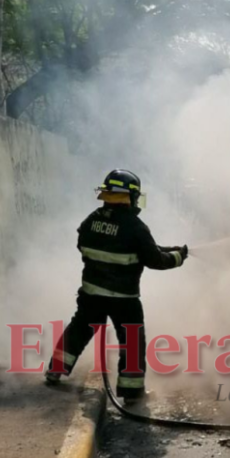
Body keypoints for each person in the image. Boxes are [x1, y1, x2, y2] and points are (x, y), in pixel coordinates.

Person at [46, 169, 188, 404]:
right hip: (124, 299)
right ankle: (131, 394)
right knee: (132, 341)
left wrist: (165, 248)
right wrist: (178, 258)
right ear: (130, 197)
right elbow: (153, 260)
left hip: (92, 294)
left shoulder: (92, 220)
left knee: (79, 330)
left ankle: (55, 370)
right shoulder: (136, 226)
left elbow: (91, 245)